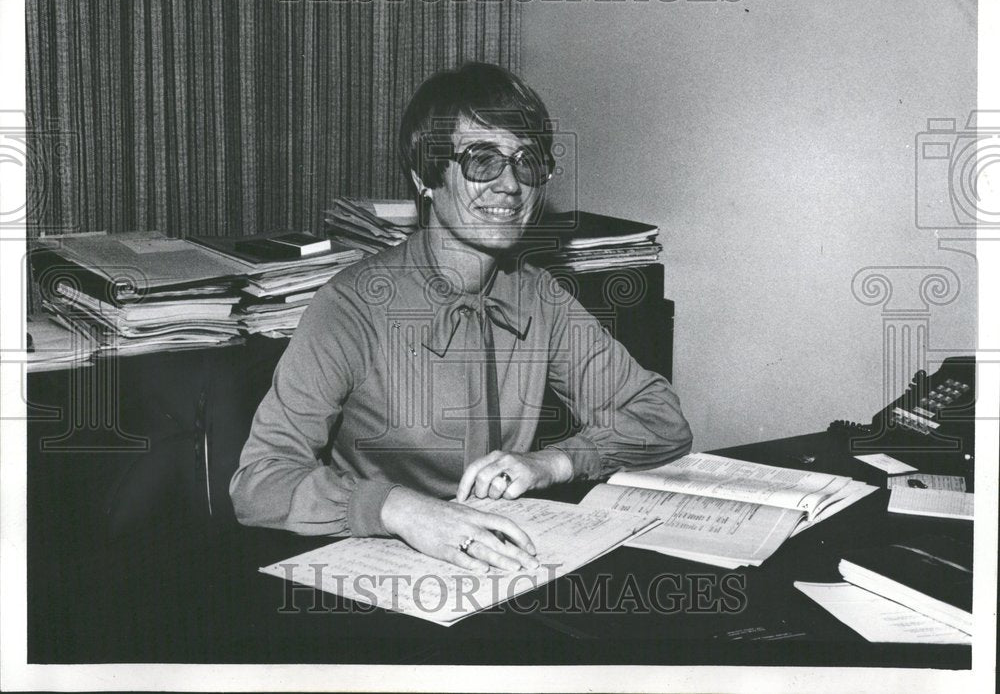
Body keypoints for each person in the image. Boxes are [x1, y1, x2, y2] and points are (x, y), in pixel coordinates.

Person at [230, 62, 691, 574]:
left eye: (527, 162)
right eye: (483, 161)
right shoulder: (351, 305)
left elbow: (660, 419)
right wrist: (398, 509)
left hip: (509, 558)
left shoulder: (538, 295)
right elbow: (258, 483)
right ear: (425, 177)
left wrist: (551, 463)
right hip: (384, 567)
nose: (511, 185)